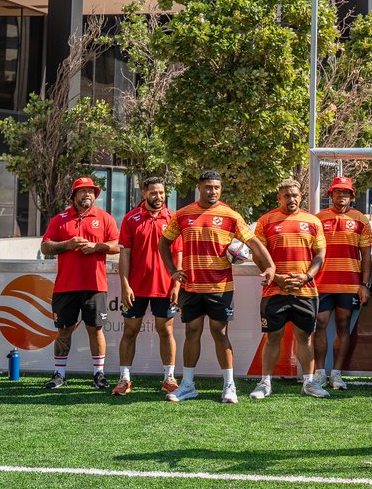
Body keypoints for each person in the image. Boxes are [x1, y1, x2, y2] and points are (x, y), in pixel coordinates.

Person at [158, 170, 274, 403]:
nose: (213, 191)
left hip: (221, 287)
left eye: (217, 188)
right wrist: (173, 271)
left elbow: (252, 242)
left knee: (220, 333)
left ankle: (228, 386)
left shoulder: (230, 215)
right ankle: (188, 385)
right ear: (199, 187)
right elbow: (164, 243)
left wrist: (270, 266)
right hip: (191, 287)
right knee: (192, 332)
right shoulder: (183, 215)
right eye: (209, 187)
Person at [249, 179, 329, 400]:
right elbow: (258, 255)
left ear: (300, 196)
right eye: (286, 195)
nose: (291, 199)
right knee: (273, 336)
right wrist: (277, 278)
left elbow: (320, 255)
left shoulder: (312, 221)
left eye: (295, 195)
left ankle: (309, 383)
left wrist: (307, 276)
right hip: (275, 290)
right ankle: (265, 382)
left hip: (305, 290)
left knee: (305, 337)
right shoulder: (266, 221)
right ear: (279, 197)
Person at [40, 176, 120, 390]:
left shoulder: (104, 218)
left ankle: (99, 374)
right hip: (66, 286)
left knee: (96, 329)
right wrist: (68, 244)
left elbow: (117, 245)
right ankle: (59, 374)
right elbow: (45, 247)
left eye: (91, 191)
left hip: (95, 285)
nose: (88, 194)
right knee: (63, 331)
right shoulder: (60, 219)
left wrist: (97, 247)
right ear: (73, 196)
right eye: (83, 191)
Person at [112, 177, 182, 397]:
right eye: (153, 192)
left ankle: (168, 378)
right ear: (144, 193)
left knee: (166, 331)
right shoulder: (130, 219)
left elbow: (178, 254)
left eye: (161, 193)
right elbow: (124, 255)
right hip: (136, 288)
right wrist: (125, 286)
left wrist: (176, 284)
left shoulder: (173, 219)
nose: (158, 197)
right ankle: (124, 378)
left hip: (165, 287)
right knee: (130, 331)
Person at [314, 175, 372, 390]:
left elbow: (366, 256)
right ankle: (319, 373)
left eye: (345, 192)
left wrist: (364, 284)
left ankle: (336, 374)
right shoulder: (318, 219)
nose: (341, 195)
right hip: (322, 283)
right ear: (331, 194)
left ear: (351, 196)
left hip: (350, 284)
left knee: (343, 327)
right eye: (337, 191)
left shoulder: (361, 220)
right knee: (319, 325)